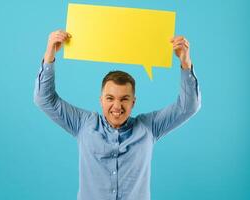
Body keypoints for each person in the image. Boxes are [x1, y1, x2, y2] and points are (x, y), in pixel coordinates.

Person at [34, 30, 201, 200]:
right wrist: (50, 54)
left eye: (124, 99)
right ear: (101, 100)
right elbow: (45, 100)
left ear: (133, 102)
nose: (117, 106)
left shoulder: (148, 127)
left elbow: (188, 106)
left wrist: (185, 62)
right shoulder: (84, 124)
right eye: (110, 98)